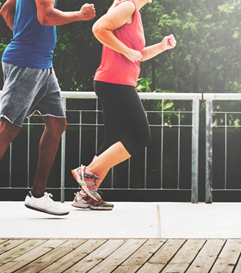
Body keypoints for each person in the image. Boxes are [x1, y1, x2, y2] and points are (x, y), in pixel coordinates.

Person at [0, 0, 96, 221]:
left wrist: (25, 33)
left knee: (57, 124)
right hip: (26, 64)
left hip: (43, 66)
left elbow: (5, 9)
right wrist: (81, 15)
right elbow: (46, 17)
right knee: (8, 128)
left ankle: (38, 195)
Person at [70, 0, 176, 210]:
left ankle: (85, 196)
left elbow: (137, 55)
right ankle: (88, 172)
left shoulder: (133, 12)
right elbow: (99, 28)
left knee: (112, 140)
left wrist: (161, 47)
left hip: (115, 82)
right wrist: (127, 51)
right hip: (115, 82)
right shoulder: (127, 7)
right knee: (140, 136)